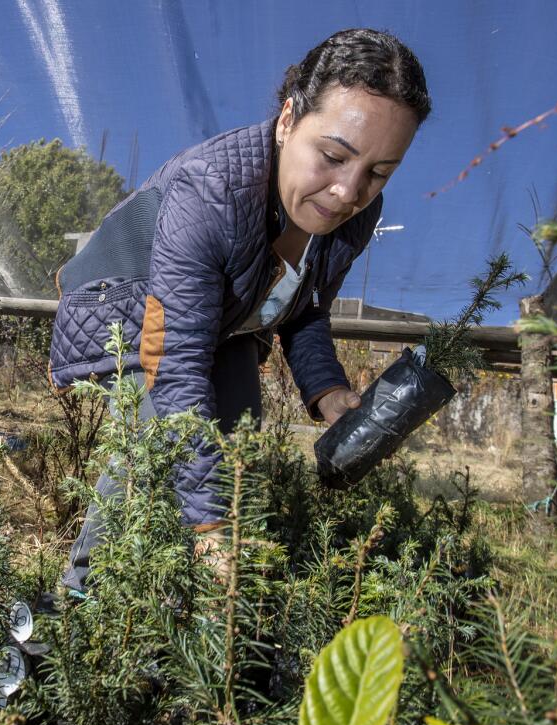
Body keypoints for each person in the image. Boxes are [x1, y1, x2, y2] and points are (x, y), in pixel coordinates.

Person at [49, 28, 431, 591]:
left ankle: (180, 610)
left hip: (222, 325)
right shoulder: (209, 192)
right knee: (160, 443)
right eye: (332, 156)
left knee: (237, 445)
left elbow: (305, 310)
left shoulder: (357, 216)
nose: (349, 193)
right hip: (124, 311)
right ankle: (80, 598)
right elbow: (175, 364)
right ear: (286, 120)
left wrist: (328, 393)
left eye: (378, 173)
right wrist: (209, 525)